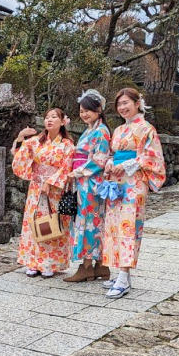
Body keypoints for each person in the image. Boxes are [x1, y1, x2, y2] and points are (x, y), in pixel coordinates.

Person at [100, 88, 166, 299]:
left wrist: (128, 164)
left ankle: (124, 275)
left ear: (138, 103)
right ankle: (119, 272)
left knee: (129, 227)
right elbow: (112, 153)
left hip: (134, 183)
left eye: (126, 103)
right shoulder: (119, 130)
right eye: (119, 104)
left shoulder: (147, 128)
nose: (122, 108)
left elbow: (152, 157)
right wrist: (110, 162)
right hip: (117, 183)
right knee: (113, 226)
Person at [11, 108, 75, 278]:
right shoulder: (36, 141)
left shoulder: (67, 144)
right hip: (36, 187)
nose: (49, 120)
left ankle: (49, 263)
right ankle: (33, 262)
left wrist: (50, 181)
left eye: (54, 117)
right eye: (47, 117)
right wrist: (20, 137)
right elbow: (19, 156)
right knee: (34, 223)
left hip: (55, 190)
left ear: (62, 121)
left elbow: (67, 166)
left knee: (52, 224)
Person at [63, 90, 112, 283]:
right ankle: (100, 265)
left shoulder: (101, 131)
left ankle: (86, 266)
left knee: (88, 223)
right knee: (93, 223)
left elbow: (99, 160)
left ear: (99, 110)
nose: (84, 114)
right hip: (86, 182)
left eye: (88, 111)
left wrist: (76, 172)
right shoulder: (92, 129)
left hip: (91, 182)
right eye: (82, 111)